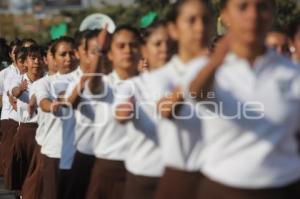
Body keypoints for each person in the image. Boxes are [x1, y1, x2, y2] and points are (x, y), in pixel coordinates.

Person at [185, 0, 300, 198]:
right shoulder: (206, 70)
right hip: (223, 188)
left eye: (262, 7)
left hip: (284, 186)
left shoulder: (291, 71)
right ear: (225, 15)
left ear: (272, 13)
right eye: (242, 7)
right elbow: (197, 94)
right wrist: (217, 61)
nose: (253, 15)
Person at [114, 19, 171, 199]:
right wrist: (126, 110)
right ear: (144, 50)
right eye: (157, 44)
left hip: (177, 175)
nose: (164, 49)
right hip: (143, 174)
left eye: (169, 44)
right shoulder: (132, 85)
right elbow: (121, 113)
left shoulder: (187, 81)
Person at [83, 25, 140, 199]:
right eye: (121, 46)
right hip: (108, 168)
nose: (128, 50)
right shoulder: (104, 84)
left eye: (133, 45)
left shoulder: (152, 84)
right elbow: (93, 85)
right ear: (110, 53)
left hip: (142, 169)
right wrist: (99, 51)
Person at [35, 36, 77, 199]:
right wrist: (53, 106)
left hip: (81, 154)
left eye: (72, 53)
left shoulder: (88, 81)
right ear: (53, 58)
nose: (68, 58)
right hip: (55, 152)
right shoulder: (44, 83)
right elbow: (44, 103)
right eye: (63, 54)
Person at [9, 45, 43, 191]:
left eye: (39, 58)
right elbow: (14, 92)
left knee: (38, 174)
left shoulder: (48, 80)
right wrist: (20, 90)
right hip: (25, 132)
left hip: (43, 132)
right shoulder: (18, 79)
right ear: (26, 62)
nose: (36, 62)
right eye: (32, 58)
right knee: (22, 175)